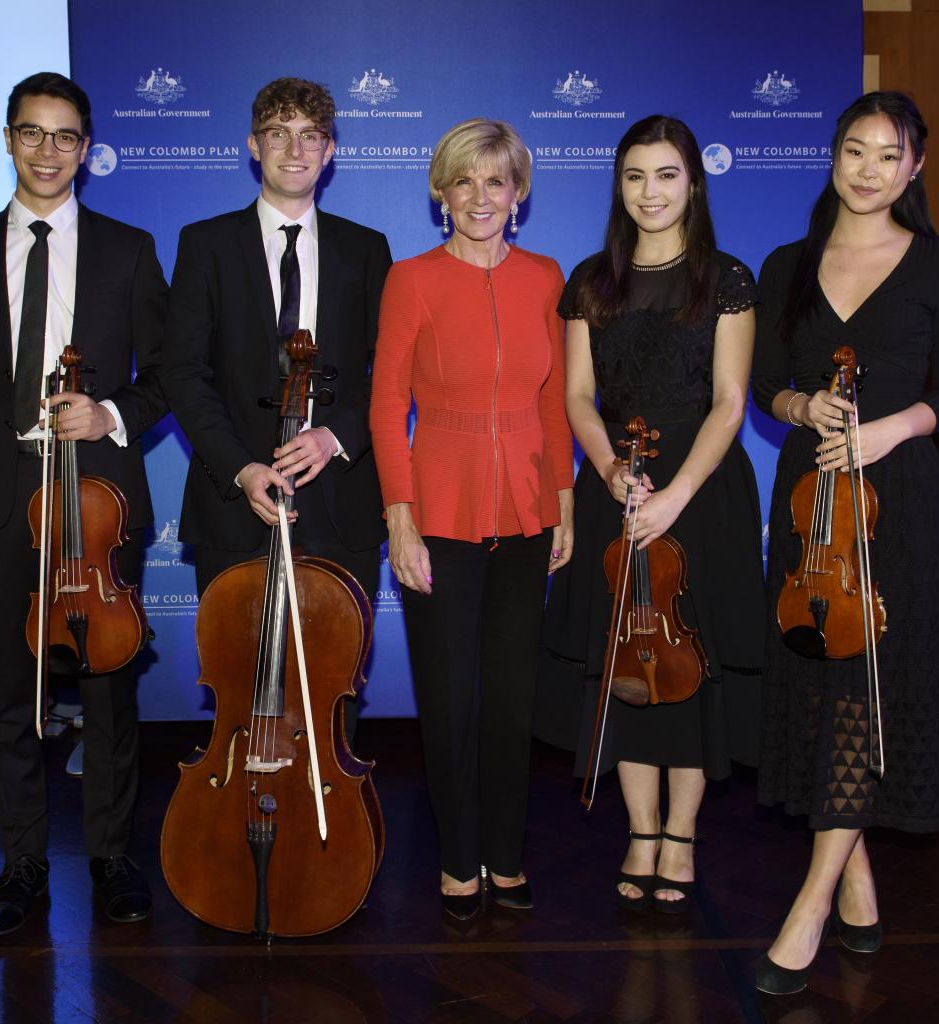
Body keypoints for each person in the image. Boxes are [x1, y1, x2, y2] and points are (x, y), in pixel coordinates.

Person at [0, 72, 168, 934]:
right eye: (34, 133)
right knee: (11, 698)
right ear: (9, 139)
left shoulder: (129, 248)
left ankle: (109, 857)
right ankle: (21, 863)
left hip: (95, 501)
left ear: (88, 148)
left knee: (108, 691)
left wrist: (109, 412)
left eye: (66, 136)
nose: (49, 150)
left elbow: (168, 374)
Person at [752, 91, 939, 994]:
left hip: (899, 500)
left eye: (890, 155)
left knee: (866, 685)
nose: (870, 169)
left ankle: (808, 906)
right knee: (824, 685)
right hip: (809, 505)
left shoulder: (938, 265)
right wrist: (804, 406)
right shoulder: (788, 262)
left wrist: (888, 431)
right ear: (833, 156)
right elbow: (769, 379)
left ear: (914, 168)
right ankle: (855, 874)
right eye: (855, 150)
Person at [535, 116, 764, 914]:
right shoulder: (592, 281)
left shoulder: (727, 279)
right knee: (626, 662)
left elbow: (732, 403)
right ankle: (639, 829)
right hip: (618, 489)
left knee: (690, 669)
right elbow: (575, 396)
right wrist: (609, 468)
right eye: (635, 176)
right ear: (619, 187)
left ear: (692, 183)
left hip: (700, 495)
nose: (651, 192)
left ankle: (683, 834)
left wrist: (675, 494)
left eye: (667, 175)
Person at [369, 118, 575, 920]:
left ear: (518, 194)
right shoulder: (412, 279)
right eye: (464, 181)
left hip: (528, 512)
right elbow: (388, 404)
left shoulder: (547, 276)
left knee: (514, 698)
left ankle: (506, 853)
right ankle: (458, 860)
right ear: (441, 194)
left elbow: (555, 402)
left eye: (496, 181)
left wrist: (562, 503)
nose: (480, 197)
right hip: (441, 512)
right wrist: (400, 517)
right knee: (451, 696)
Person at [162, 78, 391, 742]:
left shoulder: (365, 248)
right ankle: (242, 828)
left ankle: (331, 833)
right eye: (279, 134)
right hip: (236, 505)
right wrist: (241, 467)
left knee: (333, 688)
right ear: (253, 147)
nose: (295, 150)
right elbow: (183, 372)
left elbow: (392, 373)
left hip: (340, 504)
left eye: (311, 135)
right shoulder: (205, 244)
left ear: (330, 152)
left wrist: (335, 438)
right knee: (241, 689)